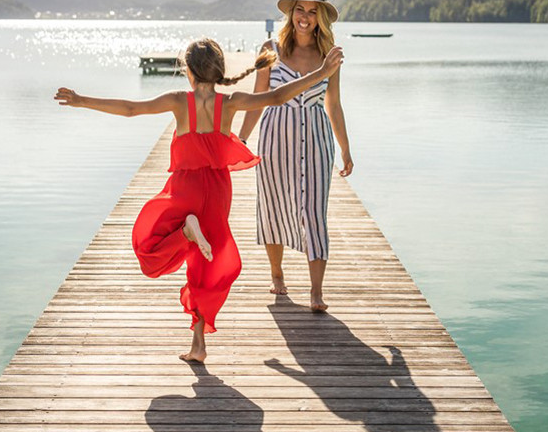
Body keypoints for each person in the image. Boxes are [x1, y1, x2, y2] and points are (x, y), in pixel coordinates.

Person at [54, 38, 344, 362]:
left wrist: (81, 100)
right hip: (218, 189)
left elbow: (132, 109)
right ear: (219, 71)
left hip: (185, 186)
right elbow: (276, 96)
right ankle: (198, 343)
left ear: (189, 73)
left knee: (149, 250)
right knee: (207, 267)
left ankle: (197, 334)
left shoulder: (180, 101)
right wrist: (321, 72)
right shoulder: (230, 102)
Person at [238, 0, 353, 312]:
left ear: (321, 18)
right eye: (300, 9)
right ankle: (277, 273)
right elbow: (259, 99)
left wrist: (345, 148)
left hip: (317, 141)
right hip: (275, 138)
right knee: (273, 206)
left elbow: (333, 105)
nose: (305, 16)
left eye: (312, 12)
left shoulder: (329, 57)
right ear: (291, 13)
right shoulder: (270, 48)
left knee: (315, 213)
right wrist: (242, 139)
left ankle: (316, 292)